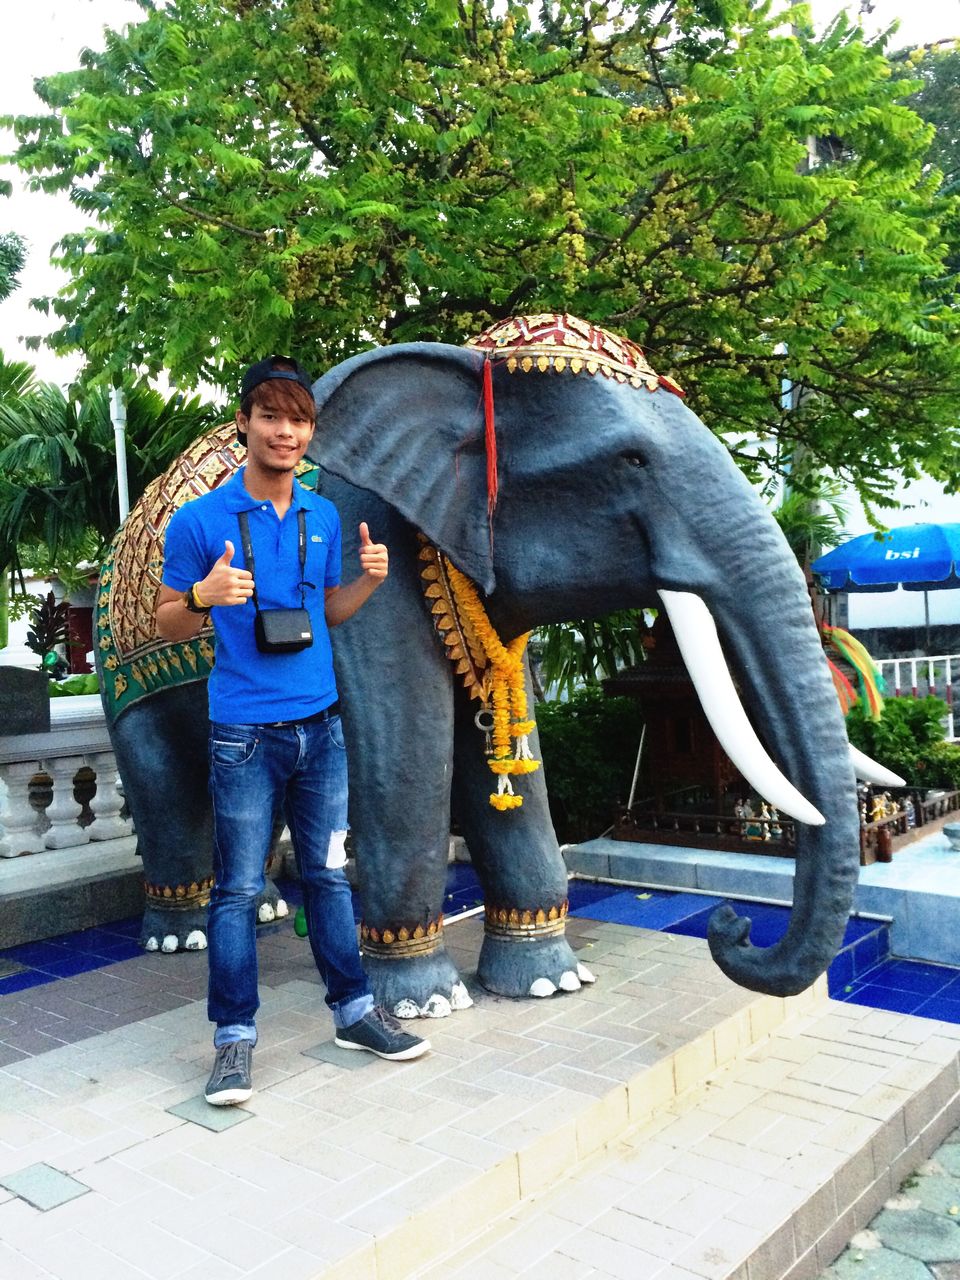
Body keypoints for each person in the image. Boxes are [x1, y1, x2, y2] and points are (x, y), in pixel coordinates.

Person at [156, 354, 429, 1106]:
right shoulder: (201, 521)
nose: (286, 431)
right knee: (240, 889)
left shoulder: (321, 515)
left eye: (300, 419)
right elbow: (165, 618)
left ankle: (354, 1012)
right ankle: (235, 1041)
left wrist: (369, 582)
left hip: (322, 730)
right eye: (271, 415)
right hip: (243, 736)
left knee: (330, 878)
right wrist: (205, 597)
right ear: (244, 422)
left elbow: (322, 617)